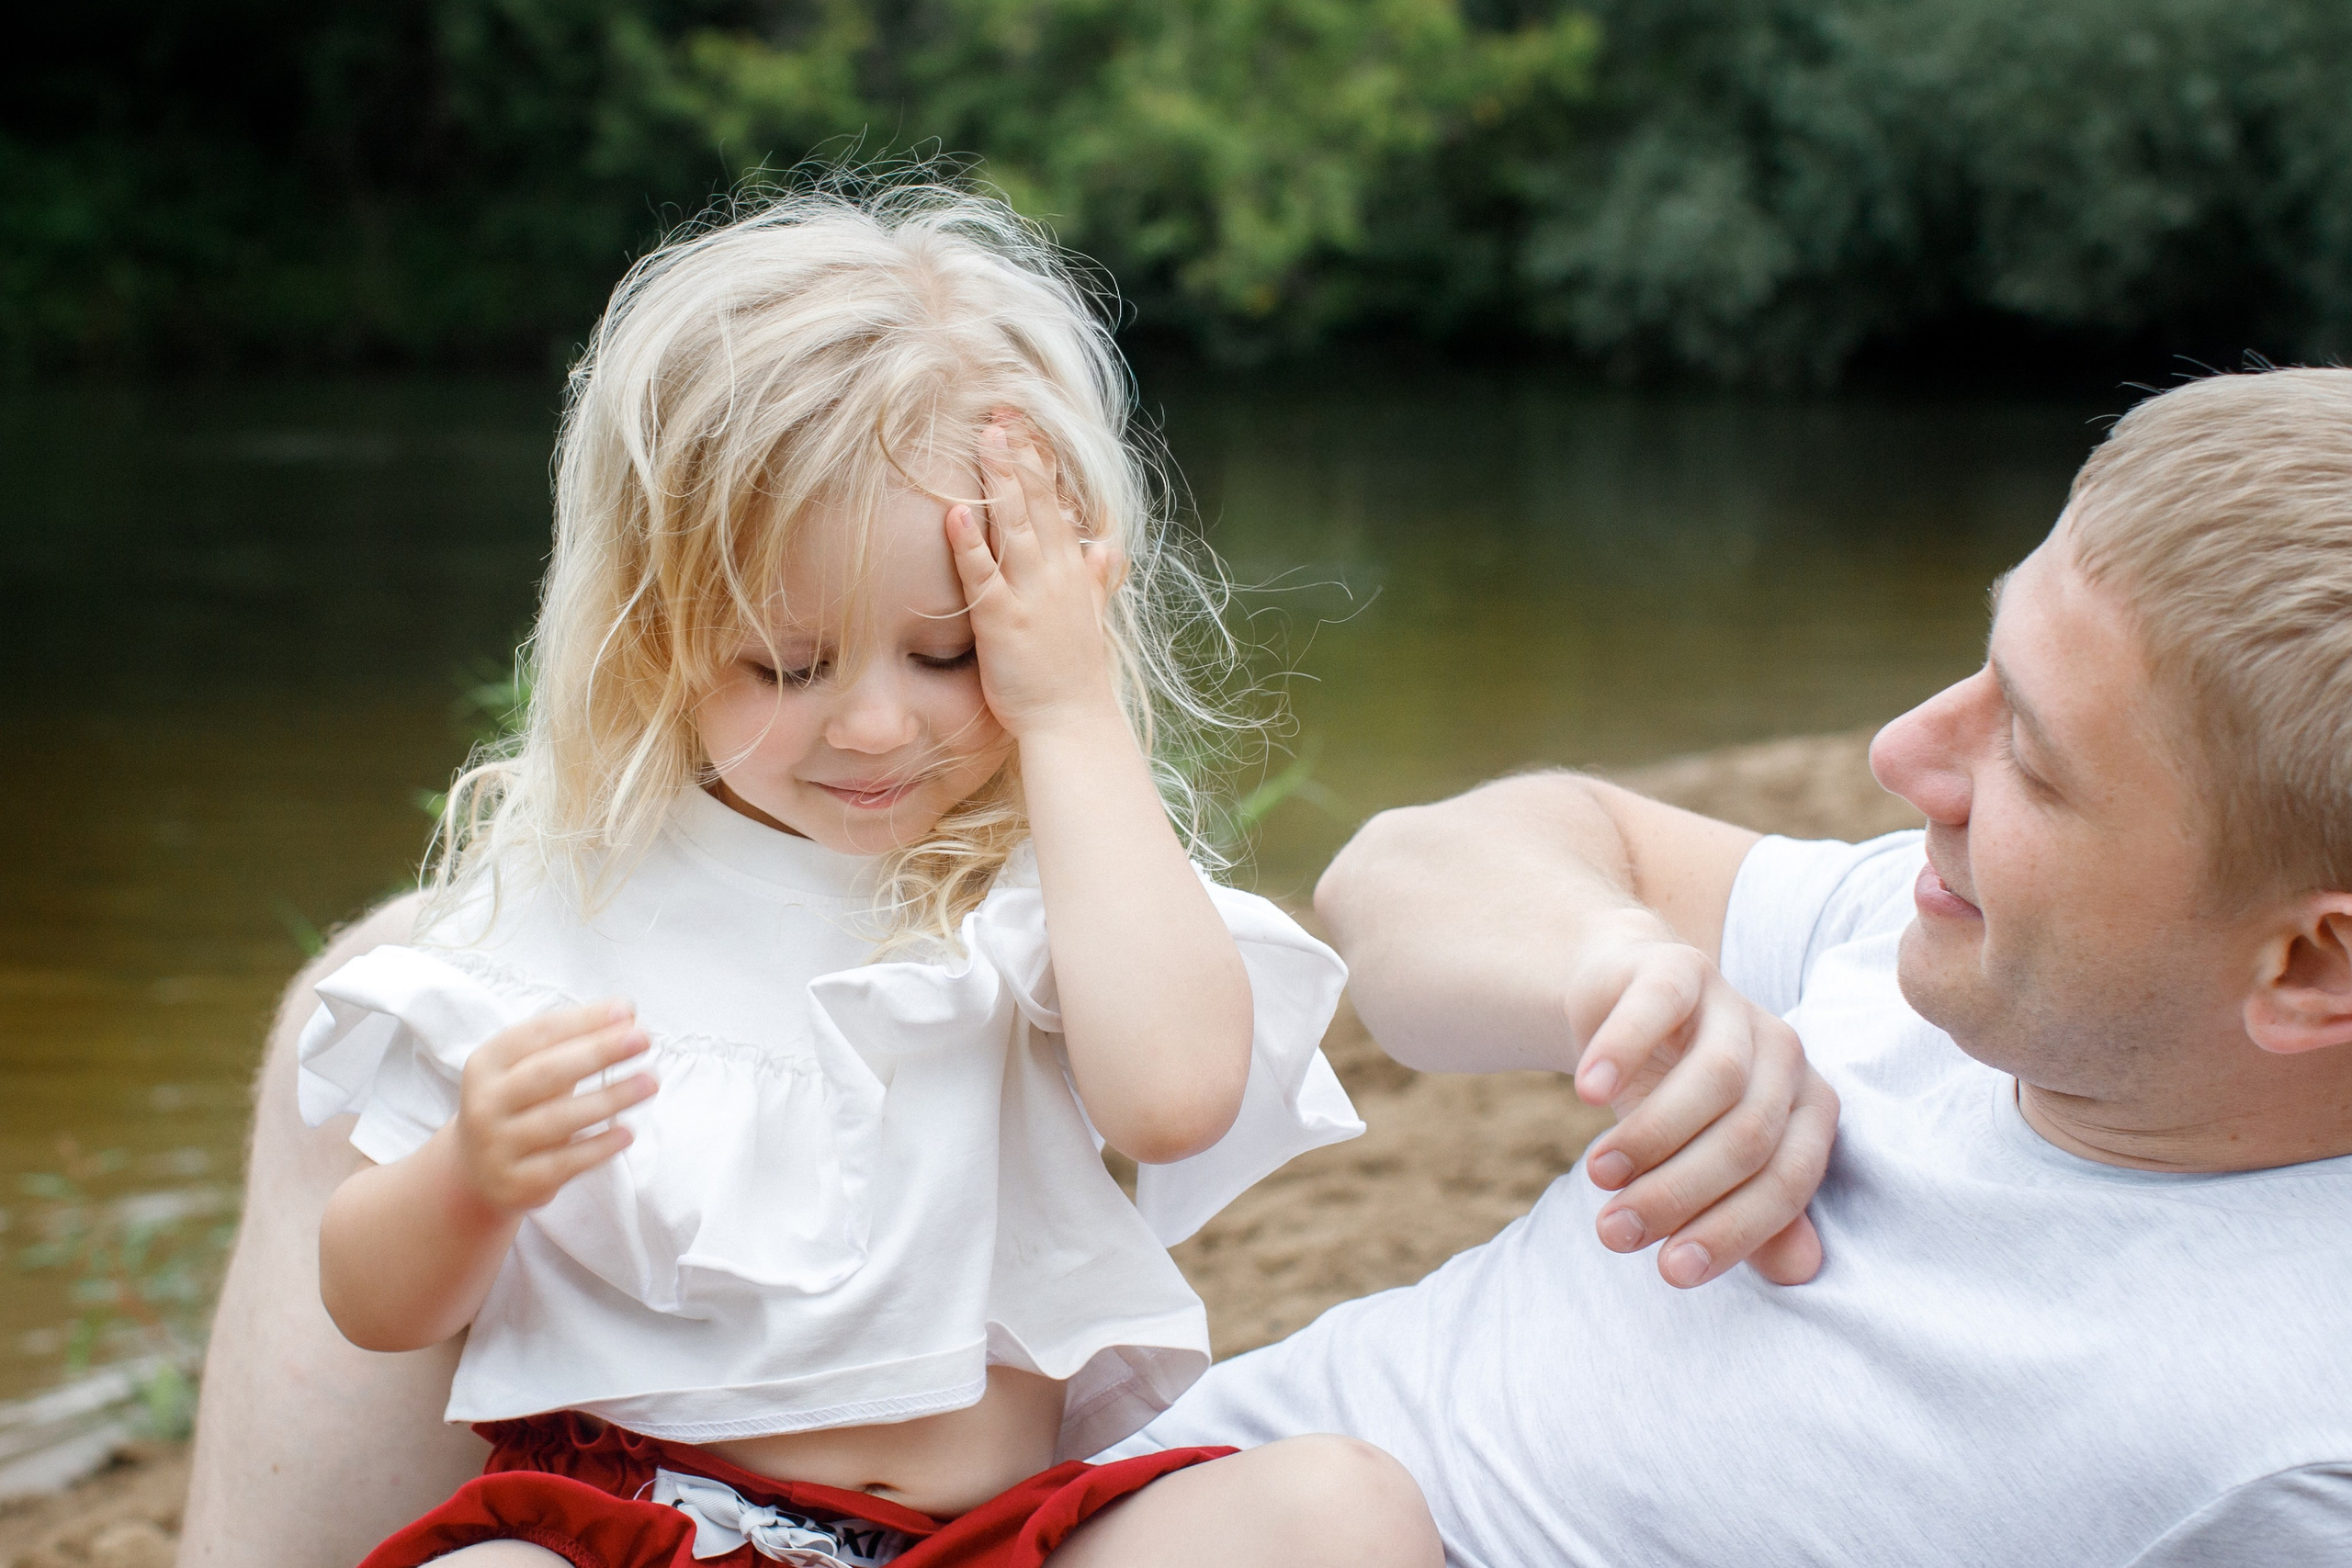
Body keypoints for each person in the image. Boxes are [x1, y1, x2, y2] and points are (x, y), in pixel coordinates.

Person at [176, 209, 1838, 1568]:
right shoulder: (564, 916)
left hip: (993, 1543)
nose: (878, 723)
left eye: (954, 651)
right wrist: (469, 1174)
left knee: (1341, 1512)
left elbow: (1179, 1097)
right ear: (648, 624)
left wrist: (1068, 715)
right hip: (645, 1526)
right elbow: (374, 1303)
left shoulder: (1032, 892)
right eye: (786, 660)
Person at [1114, 367, 2352, 1564]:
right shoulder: (1956, 940)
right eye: (1982, 660)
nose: (1904, 752)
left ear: (2310, 963)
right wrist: (1613, 965)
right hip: (1096, 1511)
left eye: (2029, 755)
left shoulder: (2287, 1458)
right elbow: (1396, 873)